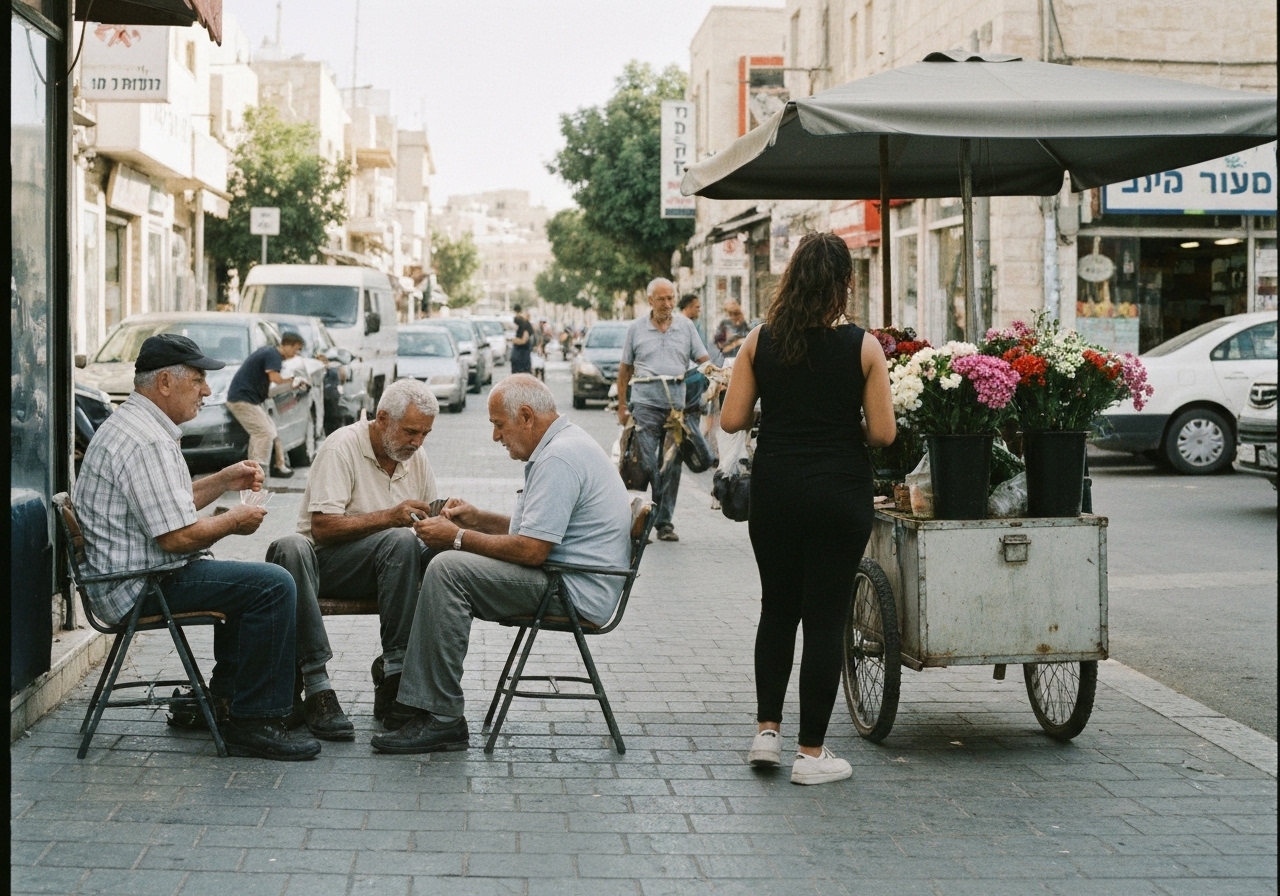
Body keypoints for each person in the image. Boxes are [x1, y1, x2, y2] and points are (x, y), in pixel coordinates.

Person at [73, 334, 321, 761]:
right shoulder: (146, 440)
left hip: (137, 576)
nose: (207, 391)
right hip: (138, 585)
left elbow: (169, 503)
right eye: (199, 381)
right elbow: (175, 537)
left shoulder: (140, 425)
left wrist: (224, 479)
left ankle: (228, 700)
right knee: (274, 585)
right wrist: (232, 521)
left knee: (249, 584)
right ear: (165, 382)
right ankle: (255, 720)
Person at [370, 375, 632, 754]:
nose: (496, 437)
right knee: (443, 558)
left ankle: (441, 716)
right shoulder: (563, 444)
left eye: (498, 424)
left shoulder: (559, 457)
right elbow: (536, 534)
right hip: (568, 577)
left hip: (573, 590)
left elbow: (531, 551)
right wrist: (475, 520)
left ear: (526, 416)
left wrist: (456, 538)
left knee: (448, 569)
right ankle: (415, 696)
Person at [720, 232, 896, 786]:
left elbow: (731, 420)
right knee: (825, 619)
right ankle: (812, 754)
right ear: (846, 284)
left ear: (790, 280)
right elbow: (884, 434)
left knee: (778, 610)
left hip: (776, 492)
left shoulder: (760, 341)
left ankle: (766, 734)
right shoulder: (865, 348)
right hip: (839, 494)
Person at [264, 378, 442, 737]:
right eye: (410, 431)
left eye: (424, 434)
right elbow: (323, 530)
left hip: (387, 567)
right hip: (324, 564)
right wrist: (391, 517)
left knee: (422, 550)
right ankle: (317, 687)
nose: (417, 442)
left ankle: (397, 675)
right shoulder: (342, 446)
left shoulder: (415, 457)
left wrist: (449, 527)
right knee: (289, 546)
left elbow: (424, 526)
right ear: (381, 418)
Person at [616, 278, 710, 543]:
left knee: (670, 466)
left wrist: (715, 377)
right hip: (645, 406)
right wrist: (622, 406)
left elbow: (703, 361)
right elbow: (625, 370)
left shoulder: (686, 326)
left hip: (675, 411)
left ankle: (664, 523)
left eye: (671, 298)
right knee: (643, 464)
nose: (668, 304)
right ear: (650, 301)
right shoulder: (636, 329)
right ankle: (640, 521)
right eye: (662, 299)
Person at [225, 332, 307, 479]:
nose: (296, 353)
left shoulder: (269, 352)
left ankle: (279, 465)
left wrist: (291, 384)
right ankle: (258, 471)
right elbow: (275, 378)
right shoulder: (273, 355)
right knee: (264, 432)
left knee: (271, 431)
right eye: (296, 348)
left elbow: (269, 389)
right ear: (287, 344)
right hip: (243, 400)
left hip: (250, 399)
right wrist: (293, 380)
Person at [510, 305, 534, 374]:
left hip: (522, 353)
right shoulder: (522, 324)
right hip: (520, 353)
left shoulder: (526, 326)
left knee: (522, 371)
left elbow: (523, 340)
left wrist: (513, 340)